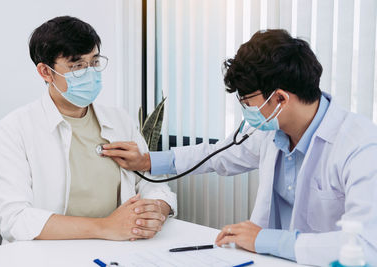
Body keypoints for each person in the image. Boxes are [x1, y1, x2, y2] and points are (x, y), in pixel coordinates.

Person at [102, 29, 377, 266]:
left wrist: (263, 239)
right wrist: (146, 161)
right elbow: (217, 156)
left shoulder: (360, 147)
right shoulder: (273, 133)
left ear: (280, 98)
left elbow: (367, 246)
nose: (246, 109)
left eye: (248, 100)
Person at [0, 16, 176, 243]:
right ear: (45, 72)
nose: (90, 73)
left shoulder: (119, 120)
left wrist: (157, 210)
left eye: (94, 62)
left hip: (118, 247)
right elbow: (14, 219)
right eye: (77, 65)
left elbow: (154, 184)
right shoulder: (14, 130)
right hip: (48, 255)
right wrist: (104, 227)